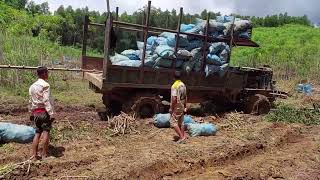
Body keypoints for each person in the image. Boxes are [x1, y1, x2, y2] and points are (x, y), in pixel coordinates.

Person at [29, 66, 54, 160]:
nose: (48, 74)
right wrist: (51, 113)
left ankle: (33, 155)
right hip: (44, 112)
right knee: (46, 132)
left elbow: (30, 101)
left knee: (37, 133)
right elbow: (46, 100)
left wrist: (31, 113)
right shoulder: (45, 85)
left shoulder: (32, 86)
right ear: (43, 74)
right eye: (47, 72)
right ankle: (44, 155)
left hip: (35, 113)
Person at [169, 71, 188, 143]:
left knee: (173, 122)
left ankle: (181, 137)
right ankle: (183, 136)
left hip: (177, 105)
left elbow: (174, 98)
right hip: (182, 104)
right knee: (181, 122)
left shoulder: (174, 86)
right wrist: (185, 106)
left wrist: (171, 108)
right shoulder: (183, 85)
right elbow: (186, 96)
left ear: (173, 77)